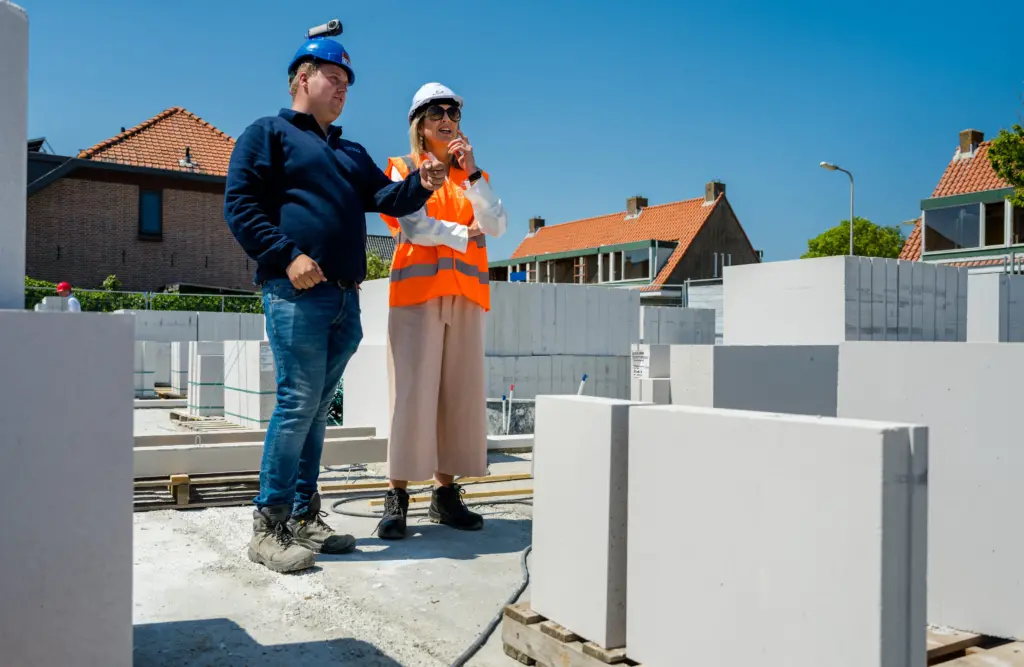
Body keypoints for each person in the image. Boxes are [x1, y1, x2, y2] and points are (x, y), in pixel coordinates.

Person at [223, 34, 447, 573]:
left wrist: (423, 180)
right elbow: (240, 205)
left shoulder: (350, 152)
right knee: (298, 403)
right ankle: (269, 524)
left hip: (345, 297)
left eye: (348, 84)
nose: (343, 90)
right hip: (295, 291)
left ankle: (304, 516)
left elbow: (388, 198)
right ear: (303, 77)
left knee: (317, 411)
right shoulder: (268, 134)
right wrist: (286, 255)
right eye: (334, 79)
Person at [376, 83, 507, 540]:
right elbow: (414, 226)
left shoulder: (472, 176)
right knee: (411, 396)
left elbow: (497, 224)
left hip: (466, 297)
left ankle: (445, 496)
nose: (447, 118)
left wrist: (471, 177)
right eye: (437, 111)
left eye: (453, 112)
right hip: (417, 297)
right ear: (419, 122)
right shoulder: (402, 168)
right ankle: (396, 497)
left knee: (458, 394)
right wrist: (461, 233)